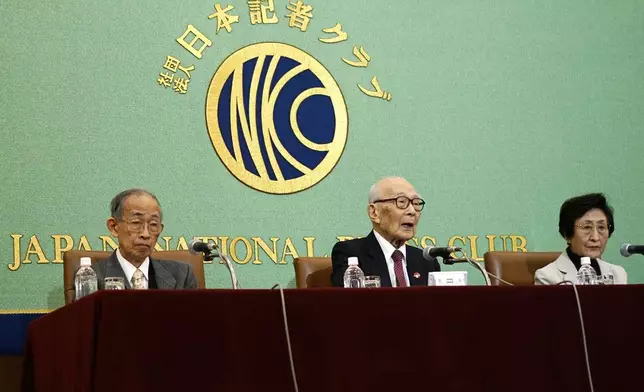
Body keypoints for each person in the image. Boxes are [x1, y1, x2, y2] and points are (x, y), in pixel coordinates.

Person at [330, 177, 440, 287]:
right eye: (401, 202)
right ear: (374, 213)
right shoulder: (351, 254)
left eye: (416, 203)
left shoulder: (426, 261)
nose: (412, 211)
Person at [92, 188, 198, 289]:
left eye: (153, 224)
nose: (146, 234)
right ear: (114, 227)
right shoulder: (92, 278)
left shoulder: (182, 275)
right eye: (136, 223)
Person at [534, 193, 627, 285]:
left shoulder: (618, 274)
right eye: (586, 227)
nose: (595, 237)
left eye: (601, 227)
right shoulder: (548, 276)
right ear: (567, 235)